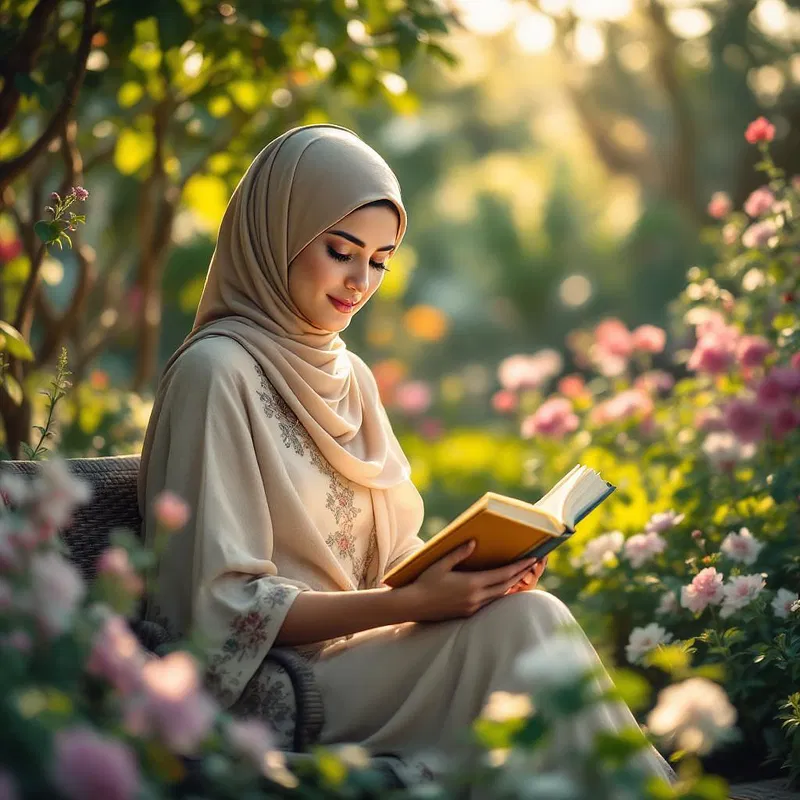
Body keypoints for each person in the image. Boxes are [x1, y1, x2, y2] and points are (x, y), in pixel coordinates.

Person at [138, 124, 675, 789]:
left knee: (527, 613)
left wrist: (476, 575)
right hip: (288, 684)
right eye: (340, 251)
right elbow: (226, 608)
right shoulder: (216, 373)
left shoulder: (349, 375)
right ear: (277, 233)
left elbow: (389, 557)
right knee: (530, 634)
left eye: (381, 260)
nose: (360, 281)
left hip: (373, 653)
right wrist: (415, 604)